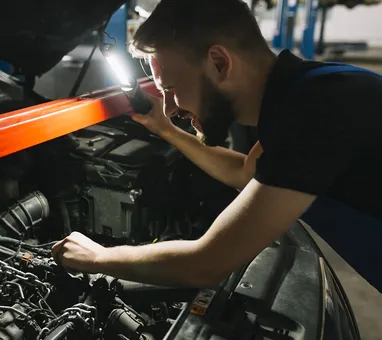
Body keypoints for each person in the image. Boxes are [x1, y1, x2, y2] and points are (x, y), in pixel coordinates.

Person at [52, 0, 382, 293]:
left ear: (219, 63)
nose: (168, 107)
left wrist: (98, 257)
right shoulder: (304, 91)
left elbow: (207, 264)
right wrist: (166, 131)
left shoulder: (318, 111)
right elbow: (245, 171)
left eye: (171, 87)